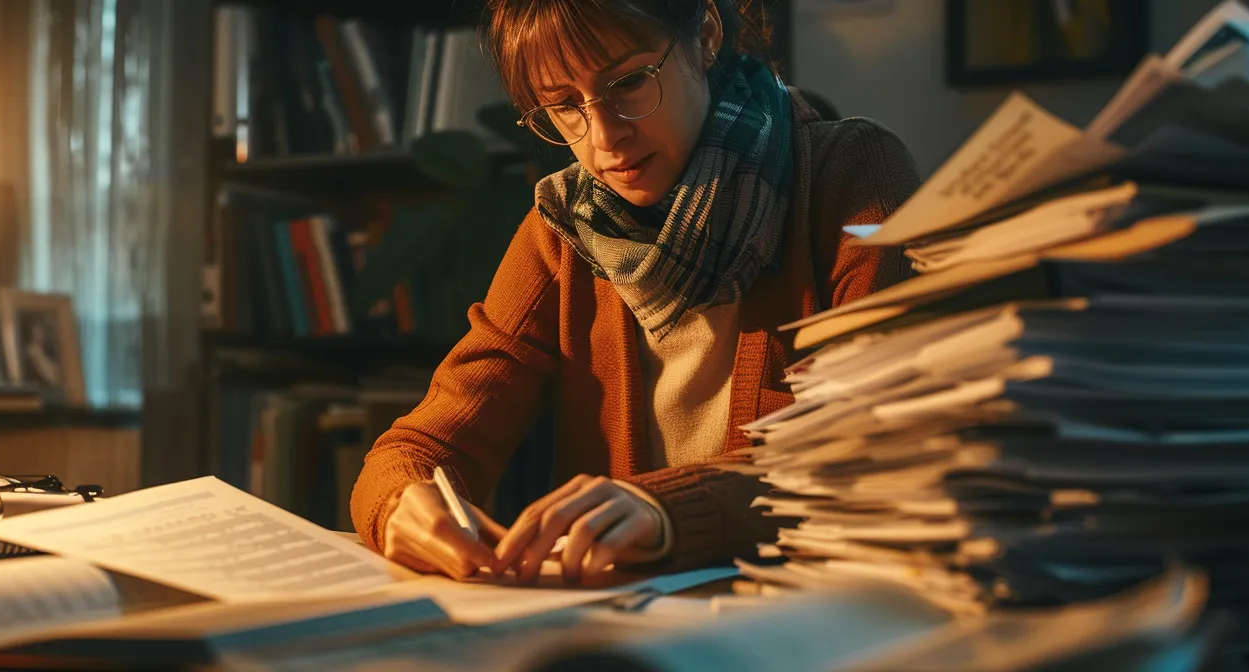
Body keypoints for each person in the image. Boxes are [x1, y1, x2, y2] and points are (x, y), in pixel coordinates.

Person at [351, 0, 919, 584]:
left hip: (812, 617)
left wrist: (663, 510)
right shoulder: (566, 230)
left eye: (628, 82)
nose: (604, 136)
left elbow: (874, 448)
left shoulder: (850, 177)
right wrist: (402, 503)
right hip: (619, 629)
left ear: (706, 36)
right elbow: (421, 444)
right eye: (564, 104)